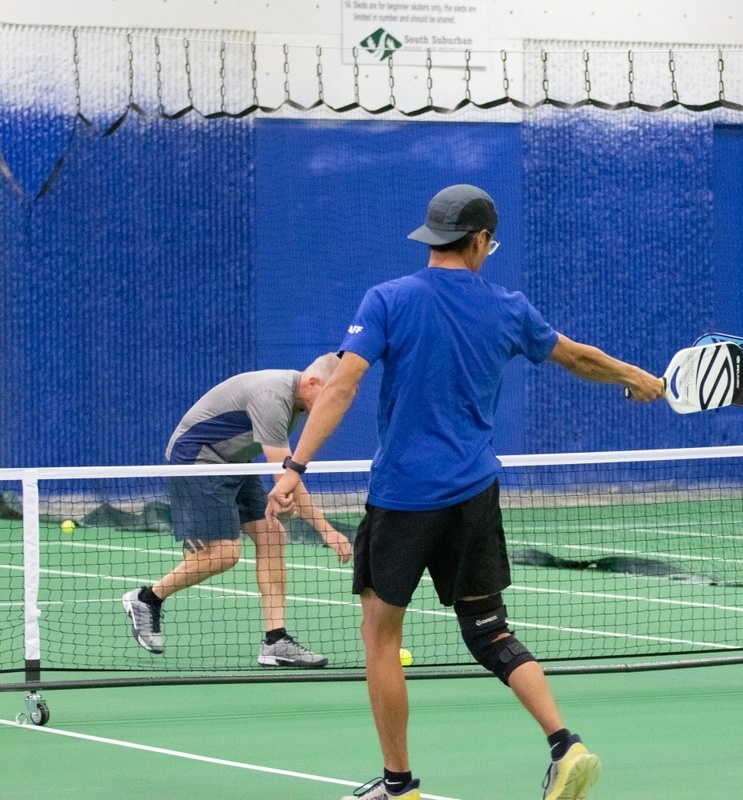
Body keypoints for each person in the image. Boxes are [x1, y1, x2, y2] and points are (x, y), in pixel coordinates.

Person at [267, 184, 663, 800]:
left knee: (381, 638)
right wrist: (635, 376)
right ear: (478, 241)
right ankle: (566, 744)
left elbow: (341, 387)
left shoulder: (387, 300)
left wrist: (295, 465)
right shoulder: (507, 307)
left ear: (434, 239)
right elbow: (577, 357)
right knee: (489, 630)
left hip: (402, 499)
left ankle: (399, 786)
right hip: (474, 494)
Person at [121, 354, 353, 668]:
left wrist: (284, 502)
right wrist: (325, 529)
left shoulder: (300, 401)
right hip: (198, 457)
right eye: (330, 394)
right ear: (312, 383)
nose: (333, 404)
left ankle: (275, 641)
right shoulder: (273, 398)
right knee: (225, 554)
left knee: (272, 536)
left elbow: (284, 483)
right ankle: (147, 599)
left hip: (234, 460)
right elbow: (288, 478)